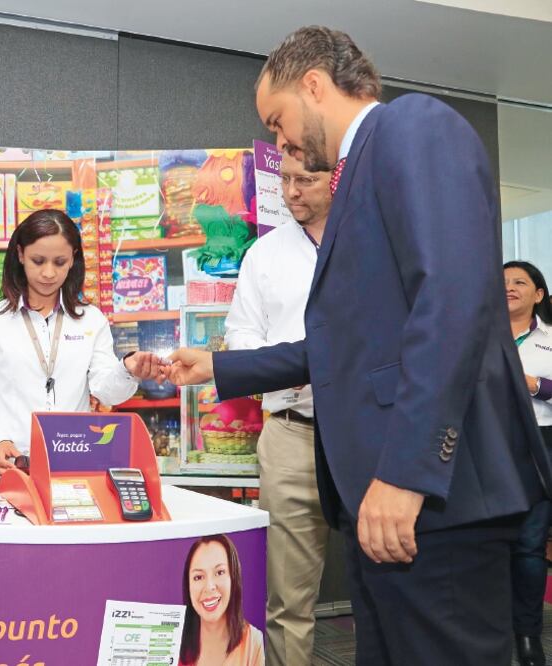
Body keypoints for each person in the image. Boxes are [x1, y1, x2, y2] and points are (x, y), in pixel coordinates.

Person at [165, 26, 552, 665]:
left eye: (277, 119)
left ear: (313, 85)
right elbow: (346, 351)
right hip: (386, 507)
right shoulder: (361, 171)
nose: (278, 141)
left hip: (430, 499)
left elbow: (451, 302)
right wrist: (220, 366)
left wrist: (406, 472)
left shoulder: (411, 128)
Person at [0, 209, 163, 492]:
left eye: (60, 262)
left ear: (74, 259)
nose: (48, 273)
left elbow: (106, 391)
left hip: (74, 475)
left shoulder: (91, 320)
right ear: (20, 254)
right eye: (38, 260)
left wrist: (127, 370)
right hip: (8, 473)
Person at [223, 152, 330, 666]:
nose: (291, 191)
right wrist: (280, 362)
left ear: (337, 177)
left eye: (305, 180)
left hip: (368, 432)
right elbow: (242, 334)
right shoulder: (264, 255)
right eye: (285, 180)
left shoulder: (371, 243)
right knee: (288, 600)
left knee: (388, 582)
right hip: (291, 434)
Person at [505, 260, 552, 666]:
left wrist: (536, 385)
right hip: (484, 444)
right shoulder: (476, 334)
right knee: (484, 542)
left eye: (520, 281)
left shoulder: (551, 339)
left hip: (540, 444)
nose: (509, 287)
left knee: (529, 546)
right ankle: (490, 630)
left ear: (538, 294)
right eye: (501, 282)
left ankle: (526, 636)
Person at [180, 534, 264, 666]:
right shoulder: (173, 640)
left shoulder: (253, 641)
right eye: (198, 577)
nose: (209, 587)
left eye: (219, 572)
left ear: (233, 578)